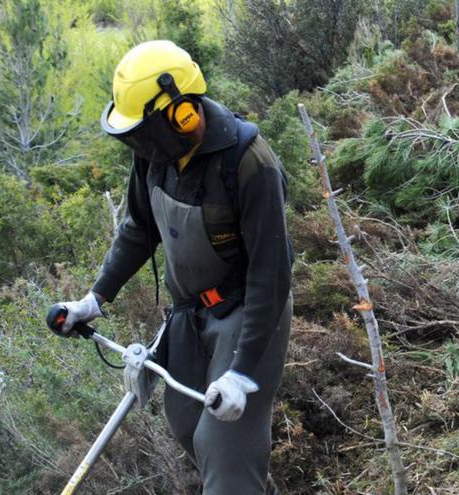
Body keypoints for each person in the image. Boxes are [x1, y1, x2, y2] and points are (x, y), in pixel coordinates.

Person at [54, 40, 292, 495]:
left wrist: (242, 372)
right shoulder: (155, 155)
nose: (139, 143)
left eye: (146, 131)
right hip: (188, 314)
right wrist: (94, 299)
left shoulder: (250, 164)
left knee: (223, 445)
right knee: (187, 426)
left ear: (182, 114)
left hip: (248, 312)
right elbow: (140, 228)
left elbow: (271, 276)